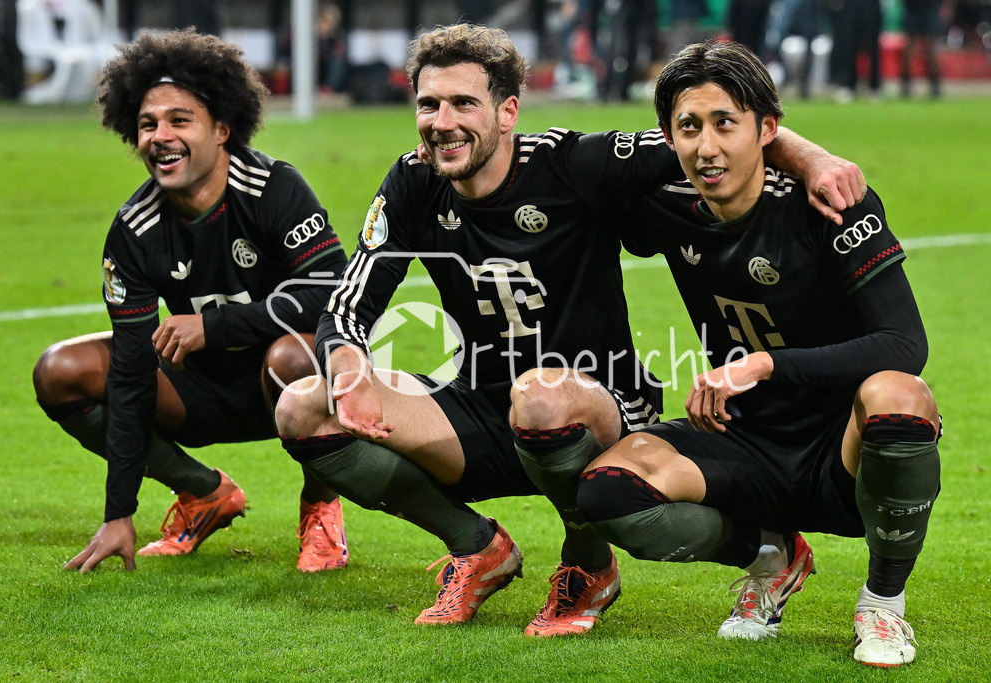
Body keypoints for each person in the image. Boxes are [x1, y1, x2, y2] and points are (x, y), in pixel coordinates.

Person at [275, 23, 867, 635]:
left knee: (540, 396)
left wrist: (813, 157)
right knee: (305, 406)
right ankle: (477, 549)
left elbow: (709, 135)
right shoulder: (412, 182)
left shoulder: (573, 163)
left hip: (599, 405)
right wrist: (348, 369)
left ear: (508, 112)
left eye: (463, 104)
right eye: (428, 104)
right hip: (478, 407)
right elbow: (350, 297)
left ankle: (588, 567)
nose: (441, 121)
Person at [570, 41, 939, 668]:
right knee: (607, 493)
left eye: (725, 124)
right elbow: (579, 168)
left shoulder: (828, 204)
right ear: (668, 137)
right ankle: (770, 557)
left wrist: (765, 364)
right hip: (741, 442)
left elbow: (907, 343)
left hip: (839, 448)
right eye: (688, 127)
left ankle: (882, 602)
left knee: (900, 399)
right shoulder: (664, 203)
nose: (707, 148)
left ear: (767, 129)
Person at [33, 29, 350, 574]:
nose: (161, 135)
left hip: (277, 385)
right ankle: (202, 493)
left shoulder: (273, 188)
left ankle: (321, 508)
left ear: (223, 128)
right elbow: (132, 371)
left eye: (180, 120)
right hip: (192, 390)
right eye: (148, 123)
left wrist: (217, 326)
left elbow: (334, 291)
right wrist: (118, 512)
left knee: (303, 356)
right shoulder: (135, 229)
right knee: (61, 371)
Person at [900, 0, 943, 98]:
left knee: (931, 49)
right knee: (911, 48)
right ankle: (906, 83)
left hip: (927, 10)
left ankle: (934, 84)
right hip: (915, 10)